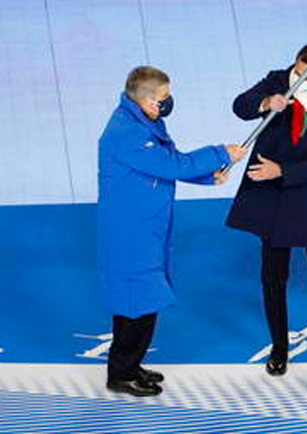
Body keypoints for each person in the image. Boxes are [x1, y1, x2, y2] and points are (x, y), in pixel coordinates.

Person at [97, 66, 247, 395]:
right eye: (163, 97)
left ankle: (129, 365)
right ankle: (121, 374)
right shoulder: (127, 134)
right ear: (147, 99)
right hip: (130, 230)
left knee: (138, 299)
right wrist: (220, 153)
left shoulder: (146, 121)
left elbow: (170, 161)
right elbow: (170, 166)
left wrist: (207, 176)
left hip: (145, 224)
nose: (168, 102)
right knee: (138, 299)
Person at [226, 44, 307, 376]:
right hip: (274, 199)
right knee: (273, 277)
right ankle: (279, 349)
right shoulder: (276, 81)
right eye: (299, 69)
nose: (300, 78)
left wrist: (284, 171)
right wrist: (266, 103)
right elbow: (240, 106)